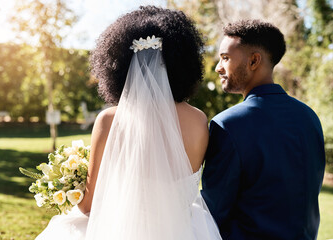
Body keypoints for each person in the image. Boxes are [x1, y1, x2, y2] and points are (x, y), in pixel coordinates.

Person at [36, 6, 221, 240]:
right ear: (182, 61)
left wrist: (70, 186)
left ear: (117, 65)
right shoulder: (198, 119)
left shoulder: (109, 120)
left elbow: (88, 207)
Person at [201, 19, 326, 240]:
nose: (218, 67)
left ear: (254, 61)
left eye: (225, 58)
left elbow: (213, 213)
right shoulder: (310, 117)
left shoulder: (227, 125)